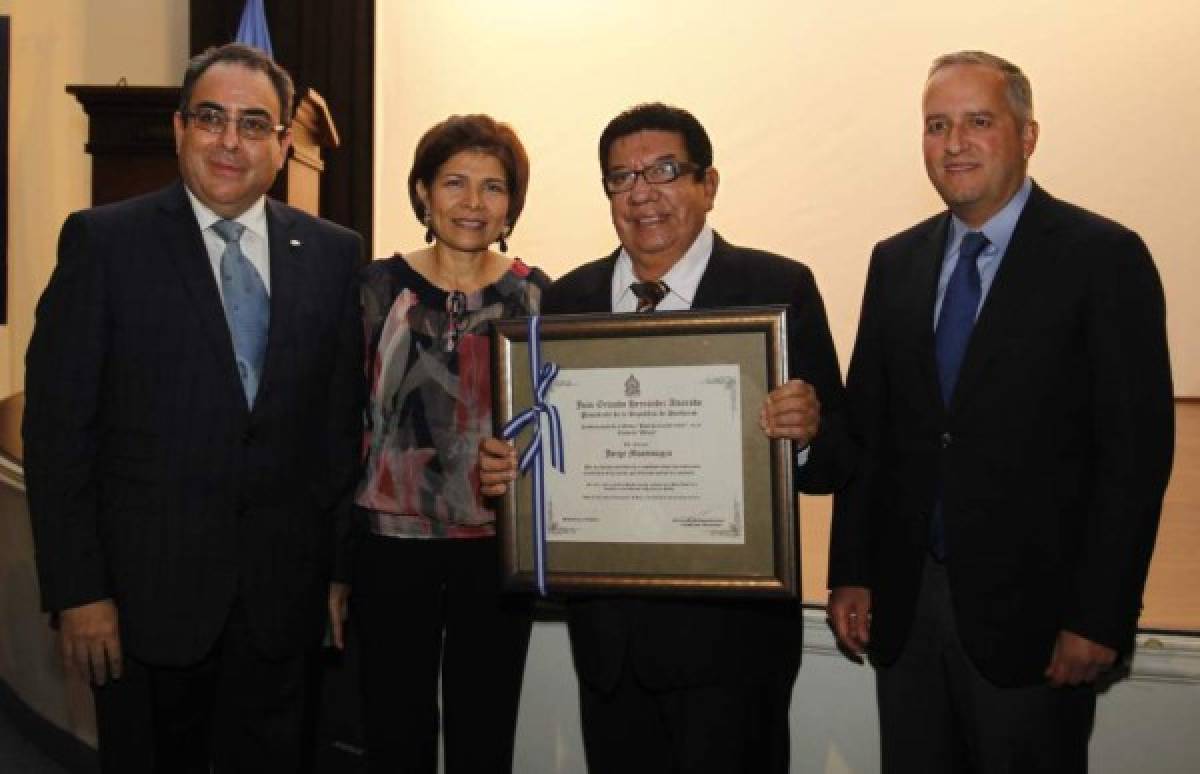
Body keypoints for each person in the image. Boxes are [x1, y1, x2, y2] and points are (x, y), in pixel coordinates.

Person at [827, 51, 1174, 773]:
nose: (954, 144)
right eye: (936, 125)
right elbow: (871, 432)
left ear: (1027, 135)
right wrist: (851, 572)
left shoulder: (1103, 257)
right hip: (907, 611)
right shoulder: (895, 261)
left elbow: (1134, 458)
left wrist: (1098, 617)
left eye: (978, 122)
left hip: (1041, 624)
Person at [480, 103, 851, 774]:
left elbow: (838, 458)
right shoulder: (569, 301)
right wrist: (512, 469)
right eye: (620, 178)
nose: (640, 192)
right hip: (609, 647)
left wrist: (806, 433)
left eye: (664, 171)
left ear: (708, 185)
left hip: (735, 653)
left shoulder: (777, 288)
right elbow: (548, 448)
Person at [23, 43, 364, 773]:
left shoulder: (334, 256)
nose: (230, 141)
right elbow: (59, 435)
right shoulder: (104, 244)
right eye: (211, 118)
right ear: (180, 129)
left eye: (253, 123)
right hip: (143, 609)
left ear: (281, 143)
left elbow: (336, 432)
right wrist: (79, 592)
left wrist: (334, 571)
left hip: (280, 606)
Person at [327, 114, 549, 774]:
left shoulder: (536, 295)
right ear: (423, 192)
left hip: (497, 552)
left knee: (486, 734)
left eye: (493, 187)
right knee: (395, 733)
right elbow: (340, 429)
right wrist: (334, 566)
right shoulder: (373, 290)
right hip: (388, 550)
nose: (472, 204)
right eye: (454, 182)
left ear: (512, 202)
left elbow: (554, 426)